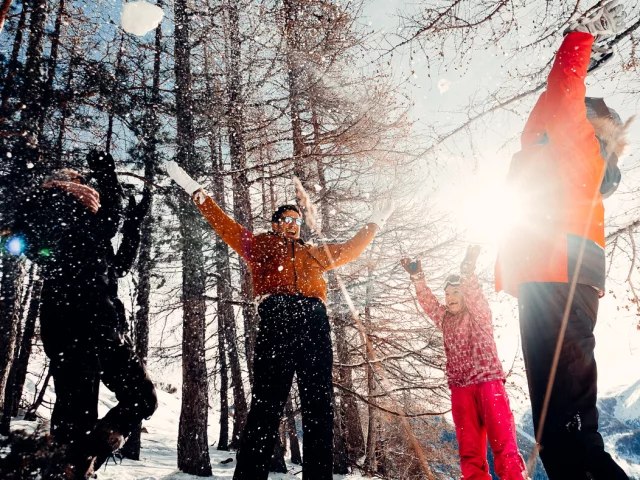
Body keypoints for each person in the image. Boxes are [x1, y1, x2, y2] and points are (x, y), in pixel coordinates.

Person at [166, 160, 394, 479]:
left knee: (320, 409)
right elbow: (223, 225)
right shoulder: (260, 245)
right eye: (286, 219)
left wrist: (375, 222)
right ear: (275, 224)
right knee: (266, 408)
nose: (292, 224)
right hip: (277, 318)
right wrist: (194, 190)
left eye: (296, 220)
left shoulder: (313, 253)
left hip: (314, 323)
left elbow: (350, 249)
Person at [494, 2, 632, 479]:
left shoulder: (582, 151)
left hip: (562, 282)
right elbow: (540, 122)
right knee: (557, 439)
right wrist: (583, 58)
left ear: (592, 129)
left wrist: (580, 41)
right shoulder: (551, 152)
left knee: (574, 439)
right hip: (545, 282)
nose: (563, 115)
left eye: (575, 113)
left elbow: (563, 93)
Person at [3, 151, 157, 479]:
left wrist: (134, 224)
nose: (79, 181)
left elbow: (120, 265)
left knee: (141, 399)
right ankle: (70, 462)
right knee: (78, 419)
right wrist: (108, 176)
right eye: (75, 178)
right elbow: (107, 217)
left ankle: (78, 460)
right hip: (76, 320)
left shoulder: (91, 225)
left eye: (80, 179)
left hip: (105, 324)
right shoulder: (57, 204)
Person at [402, 246, 526, 479]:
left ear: (465, 296)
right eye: (447, 294)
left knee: (503, 444)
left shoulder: (478, 313)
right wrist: (418, 278)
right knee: (469, 452)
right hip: (460, 388)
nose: (449, 298)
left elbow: (476, 295)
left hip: (488, 383)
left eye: (455, 293)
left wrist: (467, 272)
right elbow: (429, 303)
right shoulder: (445, 319)